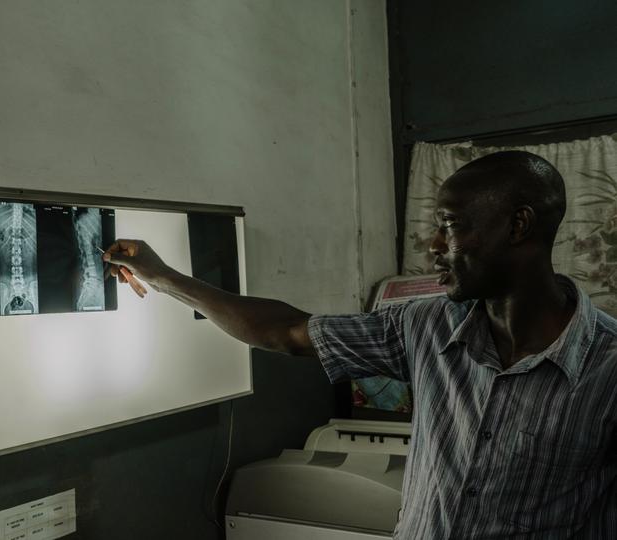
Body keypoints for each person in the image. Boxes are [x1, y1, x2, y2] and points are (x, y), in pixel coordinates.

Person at [102, 150, 617, 538]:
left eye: (451, 226)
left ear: (519, 226)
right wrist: (164, 277)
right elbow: (284, 332)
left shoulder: (607, 365)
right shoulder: (426, 327)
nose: (434, 246)